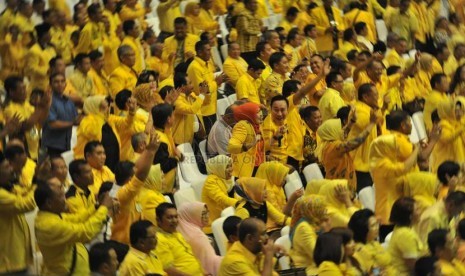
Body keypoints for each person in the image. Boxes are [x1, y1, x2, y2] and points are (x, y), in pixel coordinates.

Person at [34, 176, 114, 275]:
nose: (65, 200)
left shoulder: (53, 216)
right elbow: (86, 232)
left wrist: (97, 206)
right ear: (49, 203)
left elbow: (78, 219)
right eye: (61, 197)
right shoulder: (49, 225)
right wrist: (104, 208)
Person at [369, 111, 421, 229]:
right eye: (393, 146)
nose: (396, 148)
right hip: (388, 213)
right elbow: (404, 167)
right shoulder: (382, 164)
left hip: (397, 204)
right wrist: (417, 150)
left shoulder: (389, 158)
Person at [109, 132, 160, 245]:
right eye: (134, 176)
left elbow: (137, 168)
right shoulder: (122, 194)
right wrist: (150, 152)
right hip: (123, 244)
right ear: (129, 179)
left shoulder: (125, 189)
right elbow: (141, 175)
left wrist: (148, 151)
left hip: (135, 241)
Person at [316, 105, 376, 191]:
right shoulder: (334, 147)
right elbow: (357, 142)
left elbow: (345, 132)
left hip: (340, 187)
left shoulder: (329, 144)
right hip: (339, 190)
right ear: (333, 132)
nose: (342, 129)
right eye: (339, 128)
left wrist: (352, 121)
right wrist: (371, 124)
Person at [74, 95, 137, 171]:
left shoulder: (108, 119)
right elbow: (93, 132)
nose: (107, 109)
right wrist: (101, 115)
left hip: (111, 163)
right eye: (103, 107)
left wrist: (131, 112)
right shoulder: (87, 122)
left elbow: (126, 124)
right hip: (91, 168)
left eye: (107, 106)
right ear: (95, 107)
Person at [0, 150, 36, 275]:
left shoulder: (9, 187)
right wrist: (37, 183)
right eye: (6, 167)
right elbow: (26, 204)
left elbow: (25, 193)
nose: (11, 168)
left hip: (19, 258)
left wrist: (36, 179)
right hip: (9, 264)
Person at [3, 76, 51, 161]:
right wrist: (40, 107)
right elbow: (25, 127)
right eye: (22, 89)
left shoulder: (28, 105)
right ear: (11, 92)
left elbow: (41, 121)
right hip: (23, 149)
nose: (25, 91)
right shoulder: (9, 109)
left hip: (35, 148)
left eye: (25, 88)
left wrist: (46, 106)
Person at [187, 40, 227, 133]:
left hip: (212, 107)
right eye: (208, 50)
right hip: (203, 110)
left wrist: (220, 80)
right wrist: (216, 83)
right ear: (200, 52)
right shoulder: (194, 67)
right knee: (209, 137)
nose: (210, 52)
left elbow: (210, 81)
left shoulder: (208, 63)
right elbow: (202, 90)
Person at [155, 203, 204, 275]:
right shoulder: (159, 240)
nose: (174, 220)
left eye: (176, 217)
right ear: (158, 220)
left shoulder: (176, 233)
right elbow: (168, 269)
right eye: (169, 217)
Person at [177, 202, 222, 275]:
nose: (207, 216)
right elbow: (211, 262)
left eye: (207, 212)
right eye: (203, 214)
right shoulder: (197, 236)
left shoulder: (180, 232)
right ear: (191, 217)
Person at [289, 195, 329, 274]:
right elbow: (318, 256)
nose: (325, 211)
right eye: (321, 208)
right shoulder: (304, 228)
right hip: (307, 270)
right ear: (312, 210)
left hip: (316, 266)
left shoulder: (313, 223)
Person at [348, 209, 396, 275]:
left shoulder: (373, 242)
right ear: (363, 229)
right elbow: (374, 273)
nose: (377, 227)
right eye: (373, 225)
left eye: (377, 223)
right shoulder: (361, 249)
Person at [41, 73, 79, 156]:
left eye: (62, 81)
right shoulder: (48, 101)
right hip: (52, 146)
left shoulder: (69, 102)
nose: (60, 84)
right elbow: (52, 124)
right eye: (56, 82)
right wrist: (72, 123)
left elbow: (76, 119)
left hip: (67, 144)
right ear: (50, 84)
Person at [388, 197, 426, 275]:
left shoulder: (405, 228)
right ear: (410, 216)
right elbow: (413, 266)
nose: (420, 211)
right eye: (417, 209)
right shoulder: (405, 235)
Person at [227, 102, 266, 177]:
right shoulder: (242, 126)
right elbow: (231, 147)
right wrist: (251, 144)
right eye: (257, 112)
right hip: (245, 172)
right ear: (249, 114)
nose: (261, 114)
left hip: (258, 167)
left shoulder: (257, 126)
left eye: (260, 111)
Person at [152, 103, 183, 193]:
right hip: (163, 187)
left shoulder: (165, 131)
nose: (174, 117)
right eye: (173, 115)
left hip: (169, 182)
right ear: (169, 119)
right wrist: (177, 157)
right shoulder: (159, 139)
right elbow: (163, 166)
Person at [172, 71, 206, 145]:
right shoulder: (177, 101)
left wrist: (206, 92)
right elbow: (192, 110)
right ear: (182, 86)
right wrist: (202, 94)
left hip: (190, 138)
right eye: (190, 83)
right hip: (179, 142)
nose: (193, 86)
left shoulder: (190, 95)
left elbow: (201, 102)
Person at [431, 98, 465, 173]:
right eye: (454, 109)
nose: (457, 112)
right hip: (445, 164)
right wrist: (462, 128)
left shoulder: (456, 122)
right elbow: (447, 138)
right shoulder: (442, 125)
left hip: (455, 161)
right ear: (448, 111)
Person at [202, 155, 238, 225]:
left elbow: (234, 196)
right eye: (227, 167)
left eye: (231, 166)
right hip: (215, 222)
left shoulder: (228, 179)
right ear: (219, 168)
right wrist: (238, 203)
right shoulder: (210, 181)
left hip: (229, 215)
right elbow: (221, 198)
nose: (231, 169)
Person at [24, 23, 57, 91]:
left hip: (53, 82)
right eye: (48, 33)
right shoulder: (33, 50)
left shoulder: (51, 48)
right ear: (43, 35)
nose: (50, 35)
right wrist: (47, 70)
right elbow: (31, 68)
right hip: (40, 85)